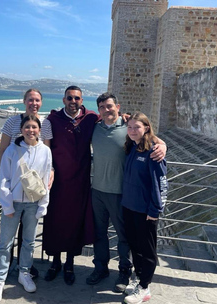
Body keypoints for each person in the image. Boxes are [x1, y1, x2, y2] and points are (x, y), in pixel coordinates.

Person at [87, 93, 166, 293]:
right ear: (99, 110)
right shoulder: (95, 128)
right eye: (102, 107)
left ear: (118, 107)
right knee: (99, 234)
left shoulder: (128, 127)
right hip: (97, 191)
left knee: (124, 237)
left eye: (110, 106)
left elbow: (151, 137)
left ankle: (124, 271)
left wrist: (163, 146)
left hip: (121, 194)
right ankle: (101, 268)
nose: (107, 109)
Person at [0, 115, 52, 303]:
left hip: (33, 203)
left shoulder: (45, 152)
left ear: (39, 130)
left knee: (29, 242)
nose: (30, 130)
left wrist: (43, 204)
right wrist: (7, 204)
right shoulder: (11, 150)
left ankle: (24, 272)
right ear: (21, 129)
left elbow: (45, 179)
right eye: (27, 127)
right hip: (13, 203)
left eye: (34, 127)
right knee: (5, 243)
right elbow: (4, 179)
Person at [42, 85, 98, 285]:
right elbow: (41, 147)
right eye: (69, 98)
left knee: (75, 222)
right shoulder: (53, 120)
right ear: (63, 100)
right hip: (57, 182)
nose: (73, 101)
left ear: (82, 101)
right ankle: (55, 262)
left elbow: (113, 122)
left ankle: (70, 263)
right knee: (55, 221)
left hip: (80, 183)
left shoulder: (91, 118)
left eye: (77, 98)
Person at [0, 88, 53, 279]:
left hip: (32, 188)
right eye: (30, 100)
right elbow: (3, 151)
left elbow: (46, 154)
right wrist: (3, 181)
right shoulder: (12, 121)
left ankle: (23, 267)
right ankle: (7, 265)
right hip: (13, 183)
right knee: (9, 230)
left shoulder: (45, 124)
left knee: (27, 233)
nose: (33, 103)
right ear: (24, 101)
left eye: (37, 100)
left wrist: (50, 173)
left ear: (41, 103)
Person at [121, 112, 168, 304]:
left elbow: (160, 183)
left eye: (137, 127)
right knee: (135, 246)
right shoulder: (131, 146)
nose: (132, 131)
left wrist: (155, 210)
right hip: (129, 206)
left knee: (148, 250)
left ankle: (145, 287)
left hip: (145, 210)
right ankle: (139, 279)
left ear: (146, 128)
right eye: (130, 127)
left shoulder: (153, 151)